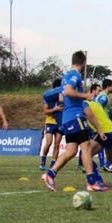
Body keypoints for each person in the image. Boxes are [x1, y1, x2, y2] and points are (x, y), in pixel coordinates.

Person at [42, 51, 106, 192]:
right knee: (86, 147)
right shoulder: (74, 75)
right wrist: (86, 96)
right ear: (83, 62)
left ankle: (50, 174)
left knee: (71, 151)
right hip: (75, 117)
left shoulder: (66, 75)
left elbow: (66, 93)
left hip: (67, 118)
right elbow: (69, 92)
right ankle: (91, 182)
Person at [39, 78, 64, 171]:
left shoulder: (64, 97)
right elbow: (46, 111)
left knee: (57, 144)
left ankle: (53, 164)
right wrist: (55, 109)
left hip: (60, 123)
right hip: (50, 122)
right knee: (49, 142)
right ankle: (43, 160)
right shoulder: (49, 97)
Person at [95, 79, 112, 172]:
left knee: (101, 145)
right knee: (110, 146)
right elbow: (98, 107)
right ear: (108, 86)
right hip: (105, 126)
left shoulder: (102, 96)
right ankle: (107, 164)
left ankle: (105, 165)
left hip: (102, 125)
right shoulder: (103, 97)